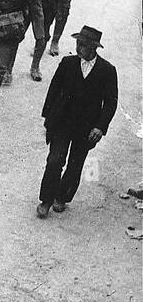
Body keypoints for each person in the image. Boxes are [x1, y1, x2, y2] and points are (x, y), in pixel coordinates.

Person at [37, 26, 117, 217]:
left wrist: (100, 127)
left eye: (83, 44)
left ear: (94, 48)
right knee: (55, 160)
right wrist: (48, 119)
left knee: (76, 164)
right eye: (78, 42)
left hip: (86, 128)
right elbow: (53, 92)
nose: (78, 46)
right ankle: (46, 200)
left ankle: (62, 197)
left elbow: (111, 103)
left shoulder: (107, 70)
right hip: (63, 123)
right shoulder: (67, 63)